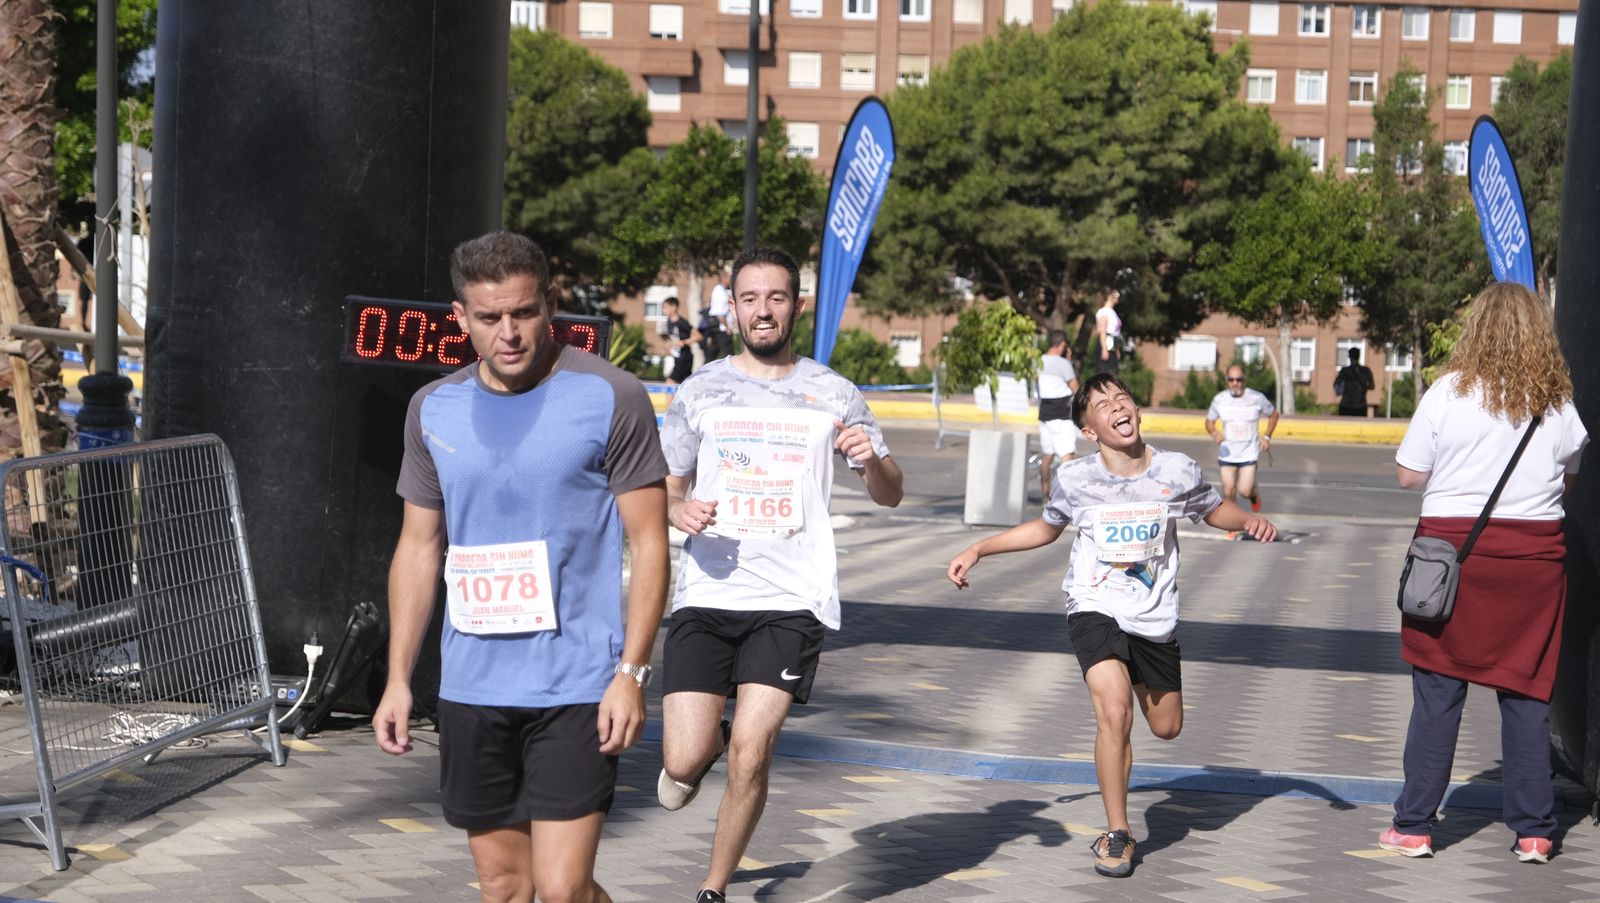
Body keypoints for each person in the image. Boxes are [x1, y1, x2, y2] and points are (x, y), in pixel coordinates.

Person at [373, 231, 670, 903]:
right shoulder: (433, 409)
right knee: (506, 885)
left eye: (524, 312)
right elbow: (419, 548)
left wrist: (632, 672)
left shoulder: (610, 396)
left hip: (577, 686)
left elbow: (650, 542)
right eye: (489, 317)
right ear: (461, 319)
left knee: (563, 888)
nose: (509, 333)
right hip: (474, 689)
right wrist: (397, 678)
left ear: (550, 305)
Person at [946, 372, 1275, 880]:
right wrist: (978, 548)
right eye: (1102, 404)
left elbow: (1213, 511)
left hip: (1154, 616)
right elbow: (1046, 528)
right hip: (1094, 605)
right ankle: (1117, 831)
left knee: (1166, 727)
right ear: (1089, 430)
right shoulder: (1077, 479)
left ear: (1137, 411)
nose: (1117, 406)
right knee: (1115, 713)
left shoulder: (1176, 471)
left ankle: (1124, 733)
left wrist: (1248, 521)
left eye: (1123, 397)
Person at [657, 246, 904, 903]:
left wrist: (869, 460)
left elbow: (891, 492)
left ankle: (714, 887)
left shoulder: (833, 392)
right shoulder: (700, 390)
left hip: (792, 598)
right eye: (750, 298)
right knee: (681, 759)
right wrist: (679, 507)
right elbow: (663, 485)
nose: (763, 310)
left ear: (797, 305)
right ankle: (701, 744)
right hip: (707, 593)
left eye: (776, 297)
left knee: (753, 750)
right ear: (731, 307)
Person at [1380, 282, 1587, 865]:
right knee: (1526, 695)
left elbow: (1408, 476)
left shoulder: (1448, 393)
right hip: (1534, 565)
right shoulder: (1557, 403)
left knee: (1438, 694)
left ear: (1475, 328)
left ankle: (1415, 826)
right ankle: (1534, 833)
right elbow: (1567, 481)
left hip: (1452, 561)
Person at [1205, 364, 1279, 514]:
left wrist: (1266, 438)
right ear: (1226, 381)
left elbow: (1274, 414)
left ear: (1244, 380)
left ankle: (1254, 494)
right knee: (1228, 490)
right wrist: (1214, 432)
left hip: (1249, 453)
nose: (1235, 383)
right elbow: (1209, 422)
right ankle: (1235, 522)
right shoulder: (1220, 399)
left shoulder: (1256, 398)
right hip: (1228, 453)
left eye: (1239, 379)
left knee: (1244, 491)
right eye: (1231, 379)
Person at [1037, 329, 1082, 500]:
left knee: (1047, 457)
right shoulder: (1063, 364)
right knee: (1067, 456)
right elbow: (1075, 389)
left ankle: (1046, 496)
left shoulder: (1038, 361)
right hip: (1062, 414)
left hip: (1045, 414)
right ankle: (1066, 499)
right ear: (1062, 344)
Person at [703, 270, 734, 361]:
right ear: (724, 278)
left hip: (717, 326)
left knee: (713, 352)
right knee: (729, 354)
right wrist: (727, 327)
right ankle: (731, 375)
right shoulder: (720, 292)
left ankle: (706, 371)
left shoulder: (720, 290)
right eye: (730, 277)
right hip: (721, 327)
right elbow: (720, 313)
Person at [1334, 347, 1375, 416]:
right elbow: (1372, 386)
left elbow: (1337, 386)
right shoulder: (1366, 371)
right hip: (1361, 405)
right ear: (1359, 356)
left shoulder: (1345, 371)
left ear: (1350, 357)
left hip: (1346, 405)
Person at [662, 297, 694, 385]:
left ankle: (671, 399)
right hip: (677, 358)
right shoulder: (669, 322)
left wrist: (684, 342)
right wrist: (668, 345)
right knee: (686, 384)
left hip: (684, 358)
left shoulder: (682, 322)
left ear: (674, 307)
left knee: (669, 383)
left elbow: (698, 336)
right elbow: (673, 338)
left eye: (665, 307)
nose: (663, 310)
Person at [1094, 289, 1123, 374]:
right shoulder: (1104, 311)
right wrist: (1104, 349)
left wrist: (1117, 349)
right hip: (1106, 343)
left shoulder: (1113, 312)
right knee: (1104, 373)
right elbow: (1102, 330)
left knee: (1113, 373)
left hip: (1112, 344)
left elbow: (1115, 333)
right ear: (1110, 296)